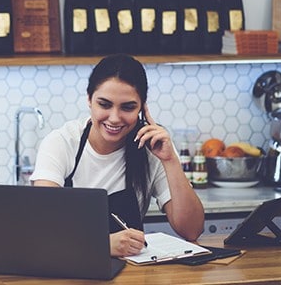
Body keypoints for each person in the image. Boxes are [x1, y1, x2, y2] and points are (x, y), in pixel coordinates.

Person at [30, 54, 204, 257]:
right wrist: (101, 245)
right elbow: (42, 227)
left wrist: (170, 161)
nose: (114, 118)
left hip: (134, 275)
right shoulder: (62, 142)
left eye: (128, 107)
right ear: (89, 100)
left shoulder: (152, 146)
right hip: (70, 269)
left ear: (142, 107)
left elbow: (192, 230)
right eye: (104, 104)